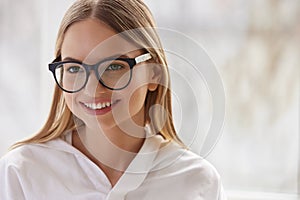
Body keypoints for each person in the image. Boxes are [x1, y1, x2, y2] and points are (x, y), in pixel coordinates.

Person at [0, 0, 226, 199]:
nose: (92, 87)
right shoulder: (21, 172)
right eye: (74, 68)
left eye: (114, 66)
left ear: (153, 74)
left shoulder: (197, 181)